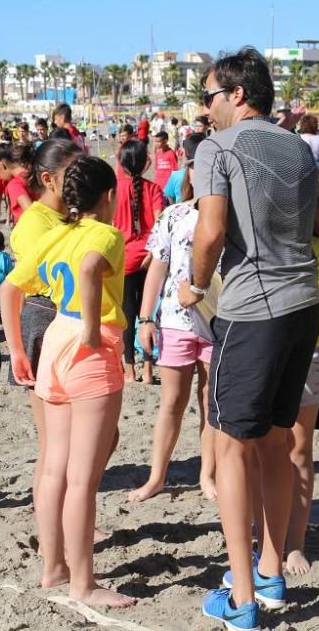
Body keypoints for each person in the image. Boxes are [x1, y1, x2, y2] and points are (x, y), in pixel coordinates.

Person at [178, 49, 319, 630]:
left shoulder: (218, 148)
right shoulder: (299, 146)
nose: (204, 110)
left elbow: (210, 230)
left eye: (208, 97)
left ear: (237, 95)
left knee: (234, 445)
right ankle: (269, 572)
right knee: (277, 441)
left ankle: (241, 598)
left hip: (252, 307)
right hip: (303, 303)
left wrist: (193, 283)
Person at [2, 155, 134, 609]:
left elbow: (9, 288)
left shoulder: (56, 231)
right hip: (86, 344)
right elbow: (91, 267)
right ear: (109, 196)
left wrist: (16, 347)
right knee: (81, 478)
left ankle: (52, 567)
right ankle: (83, 583)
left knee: (54, 466)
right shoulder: (106, 233)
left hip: (54, 339)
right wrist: (95, 331)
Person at [127, 141, 217, 502]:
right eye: (197, 167)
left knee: (212, 403)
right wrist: (145, 318)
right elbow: (157, 268)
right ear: (189, 172)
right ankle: (157, 475)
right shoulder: (175, 214)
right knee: (171, 403)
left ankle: (207, 475)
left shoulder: (232, 218)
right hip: (176, 320)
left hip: (219, 322)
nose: (203, 173)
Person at [0, 138, 82, 522]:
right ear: (48, 179)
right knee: (55, 442)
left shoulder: (73, 213)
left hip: (71, 320)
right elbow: (17, 287)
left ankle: (67, 517)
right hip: (46, 318)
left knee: (88, 438)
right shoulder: (35, 221)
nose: (80, 178)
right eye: (72, 172)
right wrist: (15, 348)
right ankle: (55, 525)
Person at [282, 236, 319, 576]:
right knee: (263, 450)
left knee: (299, 451)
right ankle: (269, 537)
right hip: (265, 351)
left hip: (308, 352)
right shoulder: (261, 235)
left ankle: (294, 543)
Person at [114, 138, 163, 383]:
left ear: (121, 163)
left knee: (127, 316)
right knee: (148, 316)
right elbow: (159, 226)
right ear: (145, 163)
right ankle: (148, 369)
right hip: (148, 259)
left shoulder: (114, 189)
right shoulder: (153, 189)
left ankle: (129, 370)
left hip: (123, 259)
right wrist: (153, 254)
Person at [0, 142, 36, 226]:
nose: (0, 177)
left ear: (0, 165)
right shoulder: (34, 174)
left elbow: (31, 212)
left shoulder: (14, 185)